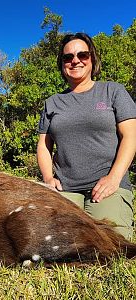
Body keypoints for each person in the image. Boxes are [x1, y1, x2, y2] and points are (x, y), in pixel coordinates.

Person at [37, 33, 136, 240]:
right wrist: (48, 179)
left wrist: (114, 178)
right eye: (68, 57)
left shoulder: (113, 91)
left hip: (108, 186)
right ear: (62, 63)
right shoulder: (52, 102)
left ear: (92, 59)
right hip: (65, 189)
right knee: (60, 244)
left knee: (110, 245)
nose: (75, 60)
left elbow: (131, 135)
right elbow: (44, 146)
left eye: (83, 54)